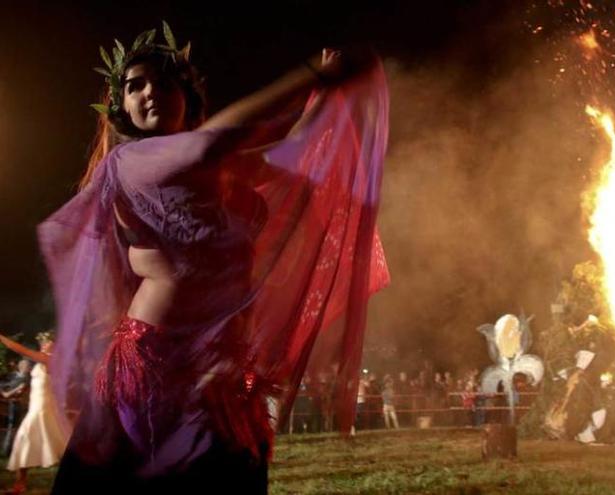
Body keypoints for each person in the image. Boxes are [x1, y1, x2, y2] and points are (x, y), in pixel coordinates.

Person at [40, 22, 389, 494]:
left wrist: (329, 102)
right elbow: (214, 141)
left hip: (225, 371)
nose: (149, 93)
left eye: (164, 83)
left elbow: (287, 158)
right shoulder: (130, 161)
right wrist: (315, 76)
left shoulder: (214, 168)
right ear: (120, 104)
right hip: (156, 375)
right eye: (135, 85)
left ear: (186, 95)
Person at [0, 333, 70, 495]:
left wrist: (2, 338)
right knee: (26, 442)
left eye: (48, 343)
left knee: (25, 440)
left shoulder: (49, 360)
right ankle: (20, 484)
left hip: (41, 410)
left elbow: (20, 350)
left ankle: (20, 484)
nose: (44, 345)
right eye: (43, 343)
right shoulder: (43, 360)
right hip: (36, 407)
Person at [0, 359, 32, 457]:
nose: (29, 369)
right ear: (22, 367)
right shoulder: (11, 377)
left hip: (24, 405)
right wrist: (17, 390)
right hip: (13, 405)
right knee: (13, 428)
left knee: (22, 428)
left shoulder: (28, 379)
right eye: (27, 367)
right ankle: (7, 451)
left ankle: (20, 451)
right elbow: (5, 393)